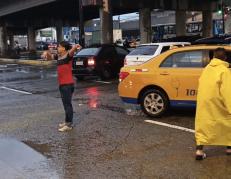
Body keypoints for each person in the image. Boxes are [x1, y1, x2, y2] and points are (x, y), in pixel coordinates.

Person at [195, 47, 231, 160]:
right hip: (217, 101)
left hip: (204, 101)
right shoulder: (224, 71)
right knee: (227, 122)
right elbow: (227, 91)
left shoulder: (207, 68)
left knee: (203, 125)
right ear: (225, 58)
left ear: (214, 57)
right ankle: (229, 148)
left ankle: (199, 151)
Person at [42, 41, 81, 132]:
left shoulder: (68, 56)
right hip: (62, 84)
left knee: (68, 105)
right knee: (65, 104)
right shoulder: (59, 56)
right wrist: (46, 53)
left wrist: (75, 47)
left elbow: (71, 52)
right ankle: (67, 121)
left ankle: (69, 124)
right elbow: (49, 58)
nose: (57, 48)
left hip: (67, 84)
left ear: (63, 48)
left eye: (59, 47)